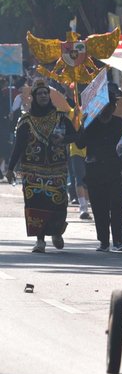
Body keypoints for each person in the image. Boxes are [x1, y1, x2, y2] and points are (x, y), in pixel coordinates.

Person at [6, 78, 79, 253]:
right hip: (32, 170)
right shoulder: (26, 120)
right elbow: (19, 145)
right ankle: (40, 241)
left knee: (58, 203)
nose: (43, 96)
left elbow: (76, 136)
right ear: (33, 97)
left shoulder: (61, 117)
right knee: (36, 203)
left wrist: (64, 139)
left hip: (57, 169)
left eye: (46, 93)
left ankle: (56, 233)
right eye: (39, 93)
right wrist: (10, 168)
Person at [76, 87, 122, 252]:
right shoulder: (90, 123)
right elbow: (79, 144)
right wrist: (82, 125)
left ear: (113, 106)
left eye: (110, 105)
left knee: (117, 206)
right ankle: (103, 241)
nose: (107, 108)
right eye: (103, 104)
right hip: (95, 172)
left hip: (115, 171)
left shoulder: (120, 123)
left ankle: (119, 240)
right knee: (99, 207)